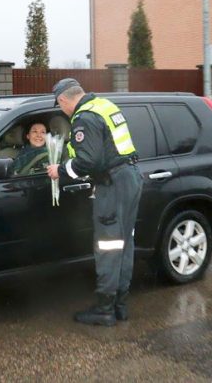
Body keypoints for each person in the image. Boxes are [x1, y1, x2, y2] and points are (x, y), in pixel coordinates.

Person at [47, 78, 142, 327]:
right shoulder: (104, 105)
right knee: (124, 244)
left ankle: (104, 309)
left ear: (63, 100)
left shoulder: (84, 118)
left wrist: (61, 170)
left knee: (109, 245)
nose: (62, 111)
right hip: (129, 179)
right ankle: (120, 306)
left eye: (59, 106)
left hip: (113, 184)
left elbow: (88, 162)